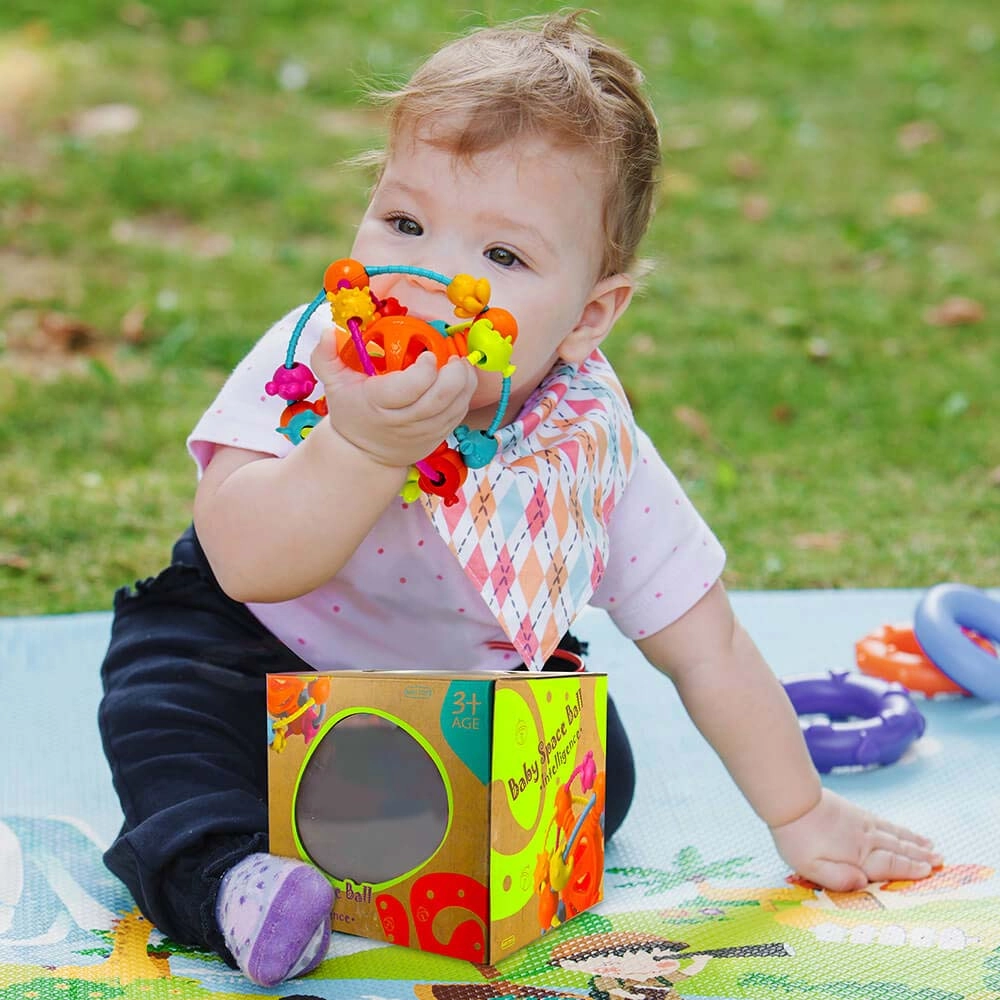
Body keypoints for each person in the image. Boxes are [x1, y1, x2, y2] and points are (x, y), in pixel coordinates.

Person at [98, 11, 940, 989]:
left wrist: (800, 813)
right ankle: (232, 875)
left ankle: (377, 823)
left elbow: (704, 644)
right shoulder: (311, 358)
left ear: (589, 315)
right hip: (255, 639)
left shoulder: (583, 441)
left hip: (471, 679)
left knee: (595, 769)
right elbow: (247, 560)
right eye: (405, 225)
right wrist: (362, 443)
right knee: (166, 713)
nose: (430, 281)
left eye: (502, 258)